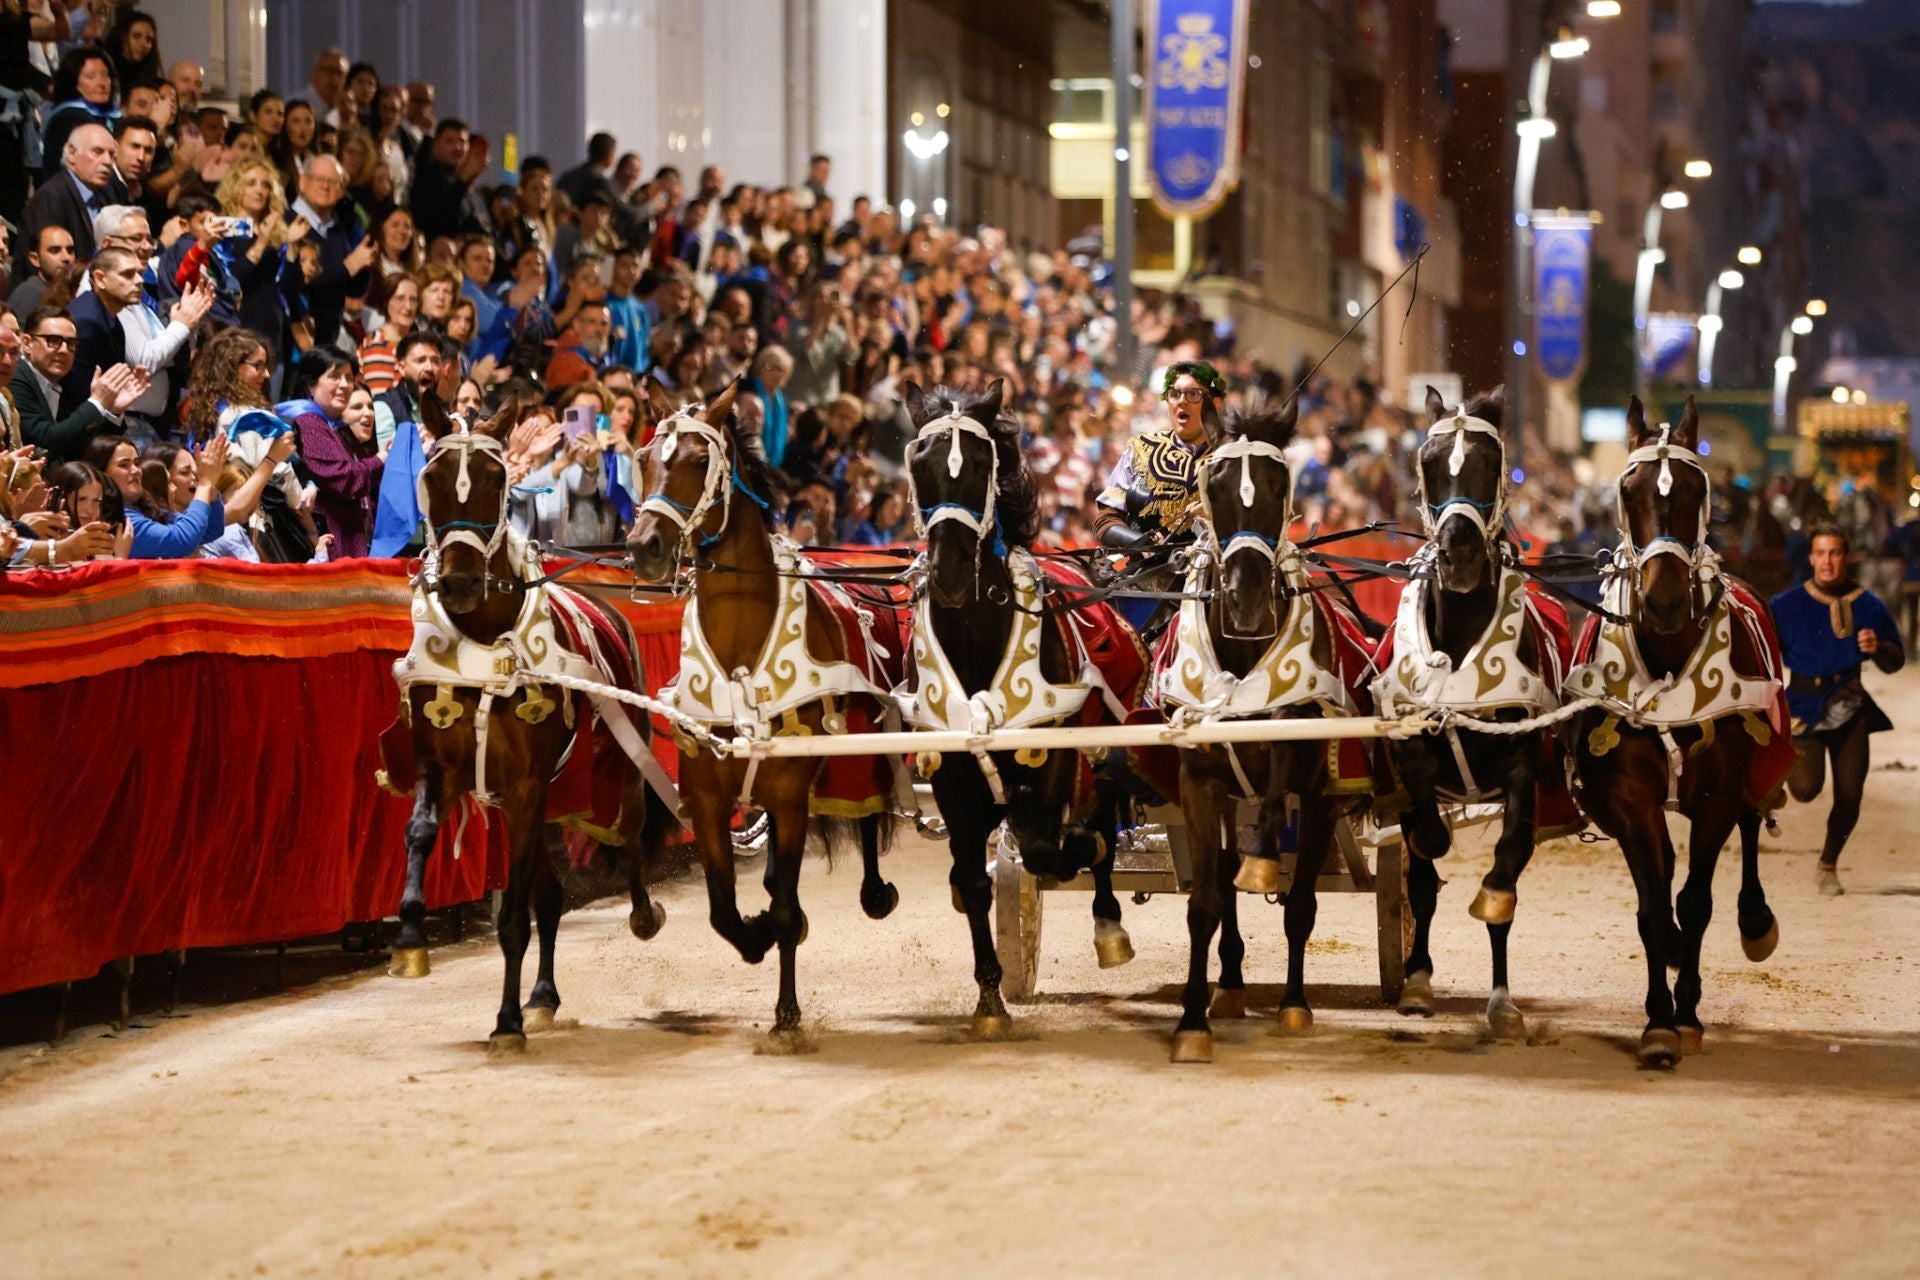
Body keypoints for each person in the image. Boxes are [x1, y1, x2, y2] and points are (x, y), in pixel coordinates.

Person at [1774, 523, 1909, 895]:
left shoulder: (1868, 604)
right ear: (1811, 557)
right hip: (1803, 704)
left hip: (1850, 703)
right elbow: (1763, 656)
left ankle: (1828, 864)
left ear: (1845, 557)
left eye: (1835, 553)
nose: (1828, 562)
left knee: (1850, 795)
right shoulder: (1785, 606)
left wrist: (1877, 647)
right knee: (1804, 789)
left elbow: (1894, 661)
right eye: (1821, 553)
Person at [1093, 360, 1221, 550]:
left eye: (1193, 394)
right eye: (1174, 394)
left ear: (1216, 403)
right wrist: (1143, 545)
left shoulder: (1232, 459)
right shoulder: (1141, 450)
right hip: (1142, 570)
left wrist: (1216, 515)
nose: (1182, 401)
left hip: (1209, 569)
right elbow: (1105, 520)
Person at [13, 306, 145, 462]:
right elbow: (45, 442)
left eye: (71, 343)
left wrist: (111, 410)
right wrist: (97, 403)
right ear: (27, 343)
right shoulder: (15, 378)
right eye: (54, 341)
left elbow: (81, 447)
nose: (64, 350)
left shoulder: (63, 381)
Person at [289, 354, 382, 557]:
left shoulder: (339, 429)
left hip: (354, 548)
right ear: (311, 385)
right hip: (332, 549)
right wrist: (382, 460)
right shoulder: (308, 423)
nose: (344, 385)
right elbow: (342, 479)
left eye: (349, 378)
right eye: (335, 377)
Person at [290, 154, 375, 346]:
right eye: (319, 179)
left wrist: (363, 265)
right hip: (293, 343)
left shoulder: (338, 230)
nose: (325, 186)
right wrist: (349, 266)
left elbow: (351, 289)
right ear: (302, 182)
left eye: (333, 182)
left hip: (328, 342)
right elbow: (298, 281)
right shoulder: (288, 223)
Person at [19, 122, 118, 271]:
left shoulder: (106, 196)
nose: (107, 161)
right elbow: (49, 264)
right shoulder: (51, 198)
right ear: (72, 154)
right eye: (98, 152)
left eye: (111, 154)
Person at [124, 432, 229, 558]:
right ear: (157, 481)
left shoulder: (164, 515)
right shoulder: (128, 519)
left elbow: (213, 529)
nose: (196, 477)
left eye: (196, 471)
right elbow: (183, 539)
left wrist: (209, 486)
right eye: (185, 472)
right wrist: (205, 483)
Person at [39, 46, 119, 181]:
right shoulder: (68, 118)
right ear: (74, 83)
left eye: (105, 75)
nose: (102, 83)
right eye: (91, 76)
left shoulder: (112, 116)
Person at [7, 223, 77, 317]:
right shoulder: (30, 293)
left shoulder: (65, 292)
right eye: (54, 250)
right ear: (35, 259)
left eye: (70, 250)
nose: (66, 257)